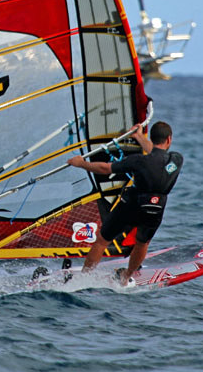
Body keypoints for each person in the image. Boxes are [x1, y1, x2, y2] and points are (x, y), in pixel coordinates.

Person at [67, 121, 183, 286]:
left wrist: (81, 163)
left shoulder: (139, 161)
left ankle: (85, 278)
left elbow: (106, 168)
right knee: (142, 242)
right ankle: (126, 276)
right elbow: (157, 156)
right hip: (157, 207)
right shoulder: (176, 160)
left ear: (152, 137)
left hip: (133, 204)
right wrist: (139, 136)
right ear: (169, 139)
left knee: (102, 240)